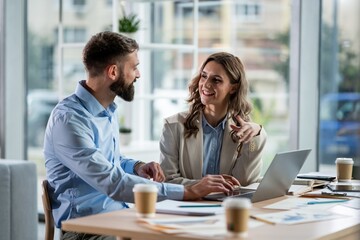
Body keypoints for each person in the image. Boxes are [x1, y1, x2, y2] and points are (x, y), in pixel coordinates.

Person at [44, 32, 239, 240]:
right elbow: (113, 182)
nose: (138, 75)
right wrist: (189, 191)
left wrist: (137, 166)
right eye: (134, 67)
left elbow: (109, 162)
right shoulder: (69, 121)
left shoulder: (106, 111)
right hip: (85, 231)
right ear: (113, 72)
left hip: (119, 218)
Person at [160, 52, 267, 187]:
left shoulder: (243, 130)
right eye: (204, 76)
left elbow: (244, 182)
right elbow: (167, 181)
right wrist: (204, 187)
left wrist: (256, 134)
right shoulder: (173, 126)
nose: (205, 84)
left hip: (228, 206)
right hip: (189, 206)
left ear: (233, 88)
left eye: (216, 80)